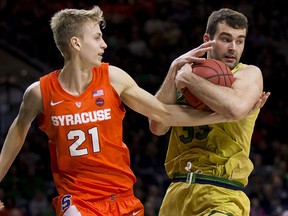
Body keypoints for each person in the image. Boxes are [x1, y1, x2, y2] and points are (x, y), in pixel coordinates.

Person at [0, 6, 267, 216]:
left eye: (240, 41)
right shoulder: (40, 92)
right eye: (97, 37)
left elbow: (165, 114)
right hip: (84, 198)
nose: (104, 44)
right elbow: (16, 134)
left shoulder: (114, 78)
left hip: (124, 196)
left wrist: (232, 111)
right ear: (76, 43)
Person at [149, 8, 271, 216]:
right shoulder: (184, 73)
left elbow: (235, 108)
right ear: (207, 39)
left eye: (239, 41)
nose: (233, 48)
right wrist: (174, 69)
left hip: (221, 193)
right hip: (176, 193)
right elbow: (157, 126)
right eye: (226, 39)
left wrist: (189, 80)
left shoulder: (247, 74)